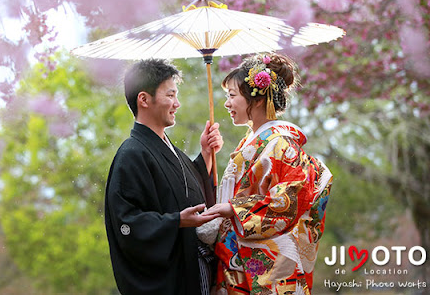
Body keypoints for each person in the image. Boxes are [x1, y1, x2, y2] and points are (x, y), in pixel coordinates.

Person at [199, 53, 332, 294]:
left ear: (258, 101)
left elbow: (289, 200)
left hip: (267, 264)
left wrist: (235, 209)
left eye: (232, 96)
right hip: (236, 258)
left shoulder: (281, 144)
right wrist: (208, 154)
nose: (227, 104)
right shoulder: (251, 142)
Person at [104, 58, 224, 295]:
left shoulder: (167, 149)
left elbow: (187, 192)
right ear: (144, 99)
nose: (177, 104)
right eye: (170, 96)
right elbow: (127, 223)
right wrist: (176, 221)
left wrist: (206, 155)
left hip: (195, 266)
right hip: (174, 279)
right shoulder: (131, 154)